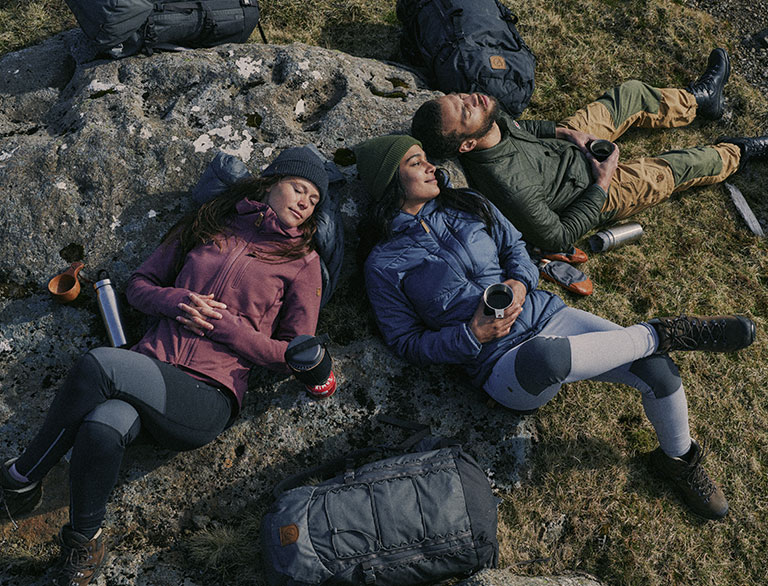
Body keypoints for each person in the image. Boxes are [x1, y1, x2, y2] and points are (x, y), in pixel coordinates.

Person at [355, 134, 756, 521]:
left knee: (658, 369)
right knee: (548, 355)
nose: (430, 166)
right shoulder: (384, 264)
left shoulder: (469, 203)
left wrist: (519, 282)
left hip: (547, 312)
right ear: (391, 181)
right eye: (415, 162)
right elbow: (405, 342)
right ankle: (662, 331)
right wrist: (470, 336)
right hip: (502, 364)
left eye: (426, 156)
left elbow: (518, 250)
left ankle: (679, 459)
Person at [0, 147, 329, 586]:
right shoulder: (208, 224)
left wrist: (227, 327)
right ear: (270, 183)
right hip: (150, 369)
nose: (306, 201)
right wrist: (177, 302)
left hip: (207, 395)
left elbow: (292, 355)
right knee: (101, 424)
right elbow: (138, 286)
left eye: (314, 200)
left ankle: (20, 479)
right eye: (298, 188)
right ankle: (84, 542)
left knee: (99, 366)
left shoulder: (303, 264)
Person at [410, 48, 768, 253]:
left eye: (458, 97)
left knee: (630, 94)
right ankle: (738, 153)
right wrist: (602, 180)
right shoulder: (509, 188)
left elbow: (524, 128)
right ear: (467, 144)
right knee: (683, 165)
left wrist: (567, 132)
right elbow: (558, 238)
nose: (470, 98)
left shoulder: (488, 114)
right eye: (463, 109)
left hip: (571, 145)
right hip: (594, 190)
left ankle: (700, 101)